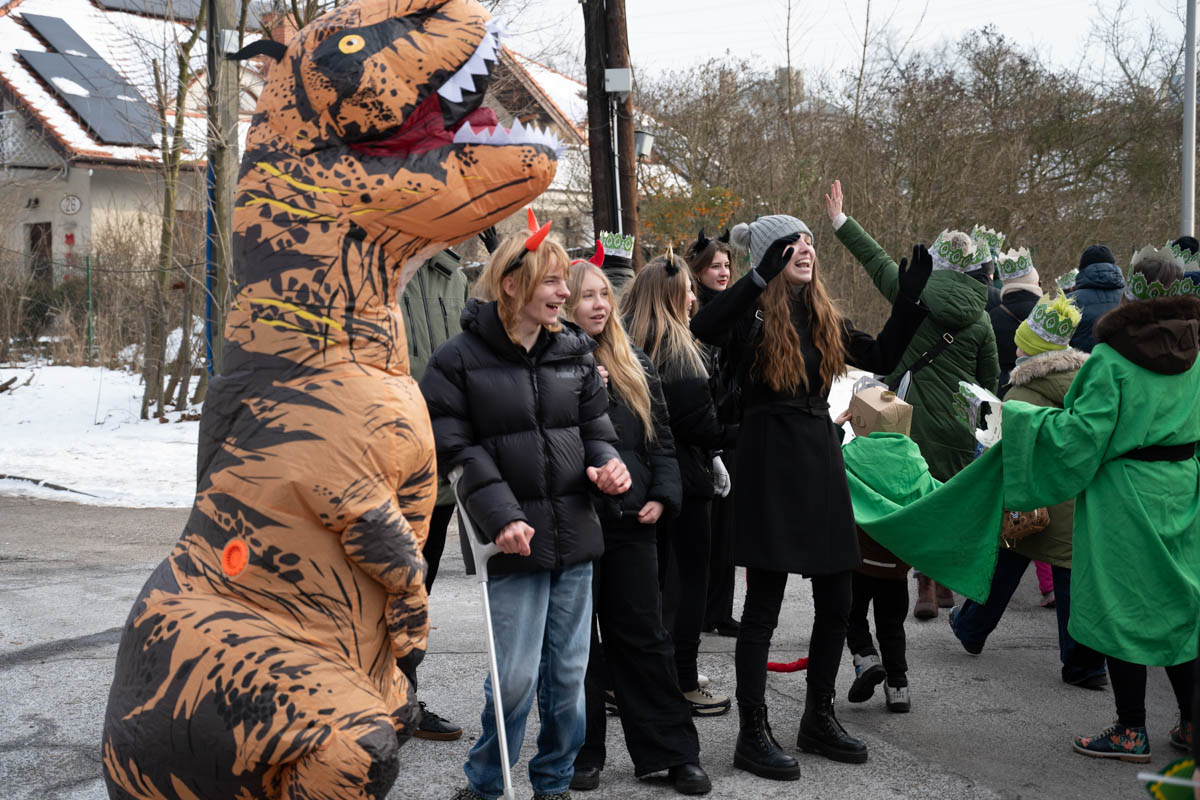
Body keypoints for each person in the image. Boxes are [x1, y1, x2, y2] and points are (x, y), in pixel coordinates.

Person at [691, 210, 930, 780]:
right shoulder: (748, 315)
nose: (805, 248)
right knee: (764, 607)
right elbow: (704, 329)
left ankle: (817, 719)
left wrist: (909, 303)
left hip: (820, 455)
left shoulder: (823, 314)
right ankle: (753, 733)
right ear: (771, 257)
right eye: (791, 243)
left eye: (809, 241)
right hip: (768, 456)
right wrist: (754, 278)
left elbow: (883, 358)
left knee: (838, 597)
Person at [420, 221, 632, 800]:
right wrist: (502, 517)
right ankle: (489, 783)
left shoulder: (577, 352)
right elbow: (456, 449)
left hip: (576, 537)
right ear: (513, 285)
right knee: (513, 679)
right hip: (510, 543)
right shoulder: (455, 361)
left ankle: (554, 780)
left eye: (566, 282)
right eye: (554, 282)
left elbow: (597, 430)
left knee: (567, 680)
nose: (565, 294)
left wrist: (609, 464)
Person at [996, 247, 1199, 763]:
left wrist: (1021, 420)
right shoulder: (1198, 353)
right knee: (1178, 607)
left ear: (1130, 293)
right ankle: (1192, 722)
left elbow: (1081, 435)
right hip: (1182, 488)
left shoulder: (1113, 357)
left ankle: (1132, 730)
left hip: (1125, 495)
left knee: (1123, 607)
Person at [564, 258, 712, 796]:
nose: (600, 305)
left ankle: (673, 753)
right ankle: (583, 750)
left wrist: (663, 495)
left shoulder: (635, 361)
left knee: (645, 639)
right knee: (578, 647)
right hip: (576, 522)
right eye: (587, 296)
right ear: (563, 304)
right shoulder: (547, 364)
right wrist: (580, 387)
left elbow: (662, 439)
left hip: (632, 522)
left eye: (604, 294)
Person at [827, 179, 999, 619]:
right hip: (959, 425)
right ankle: (940, 580)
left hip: (906, 415)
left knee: (909, 498)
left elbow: (875, 259)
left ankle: (917, 585)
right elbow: (989, 381)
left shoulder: (912, 293)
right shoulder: (982, 322)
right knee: (942, 500)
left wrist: (841, 220)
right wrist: (987, 433)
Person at [948, 293, 1109, 690]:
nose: (1015, 347)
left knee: (1006, 565)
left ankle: (971, 628)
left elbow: (1004, 451)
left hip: (1031, 501)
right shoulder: (1087, 383)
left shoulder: (1020, 393)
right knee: (1072, 580)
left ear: (1033, 349)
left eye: (1021, 341)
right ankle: (1085, 666)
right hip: (1078, 499)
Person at [624, 253, 739, 717]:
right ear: (673, 297)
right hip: (685, 484)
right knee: (689, 583)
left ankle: (639, 674)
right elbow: (705, 427)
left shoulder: (630, 342)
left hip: (643, 479)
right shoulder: (682, 355)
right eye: (689, 290)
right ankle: (684, 677)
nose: (696, 298)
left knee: (649, 588)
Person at [399, 247, 470, 741]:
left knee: (417, 594)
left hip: (439, 469)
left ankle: (403, 700)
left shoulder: (454, 277)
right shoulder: (375, 267)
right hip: (380, 465)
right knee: (371, 591)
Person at [686, 230, 741, 638]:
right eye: (714, 266)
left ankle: (720, 610)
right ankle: (702, 609)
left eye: (726, 265)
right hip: (707, 427)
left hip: (733, 425)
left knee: (728, 528)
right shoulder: (693, 316)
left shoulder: (738, 307)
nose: (722, 272)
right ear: (698, 272)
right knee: (706, 528)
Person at [988, 247, 1042, 390]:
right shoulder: (1049, 314)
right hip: (1041, 390)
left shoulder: (992, 317)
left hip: (1003, 391)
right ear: (1034, 282)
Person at [1066, 244, 1124, 352]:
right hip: (1126, 367)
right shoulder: (1131, 296)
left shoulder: (1069, 301)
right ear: (1114, 266)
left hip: (1085, 367)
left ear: (1082, 270)